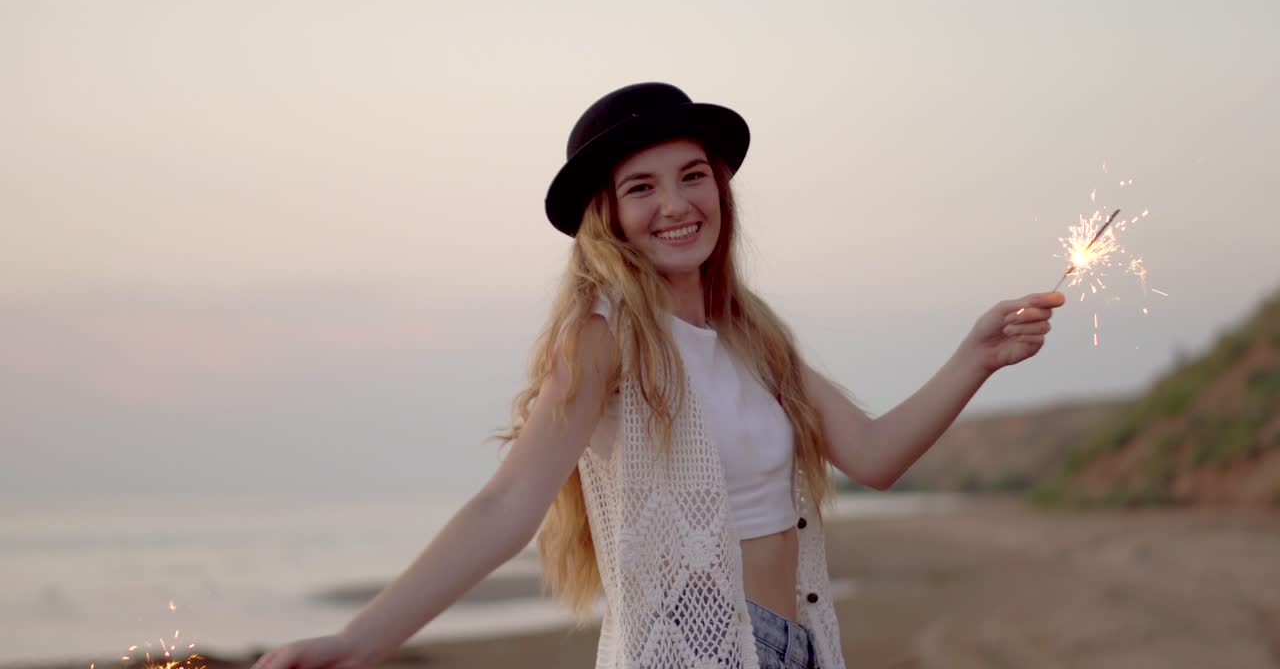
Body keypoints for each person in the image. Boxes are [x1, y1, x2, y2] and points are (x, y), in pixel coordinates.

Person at [247, 82, 1066, 669]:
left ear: (721, 188)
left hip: (798, 646)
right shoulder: (604, 343)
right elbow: (505, 504)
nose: (676, 204)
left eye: (693, 176)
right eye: (642, 187)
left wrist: (976, 359)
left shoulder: (757, 340)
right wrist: (362, 640)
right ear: (609, 217)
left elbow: (877, 456)